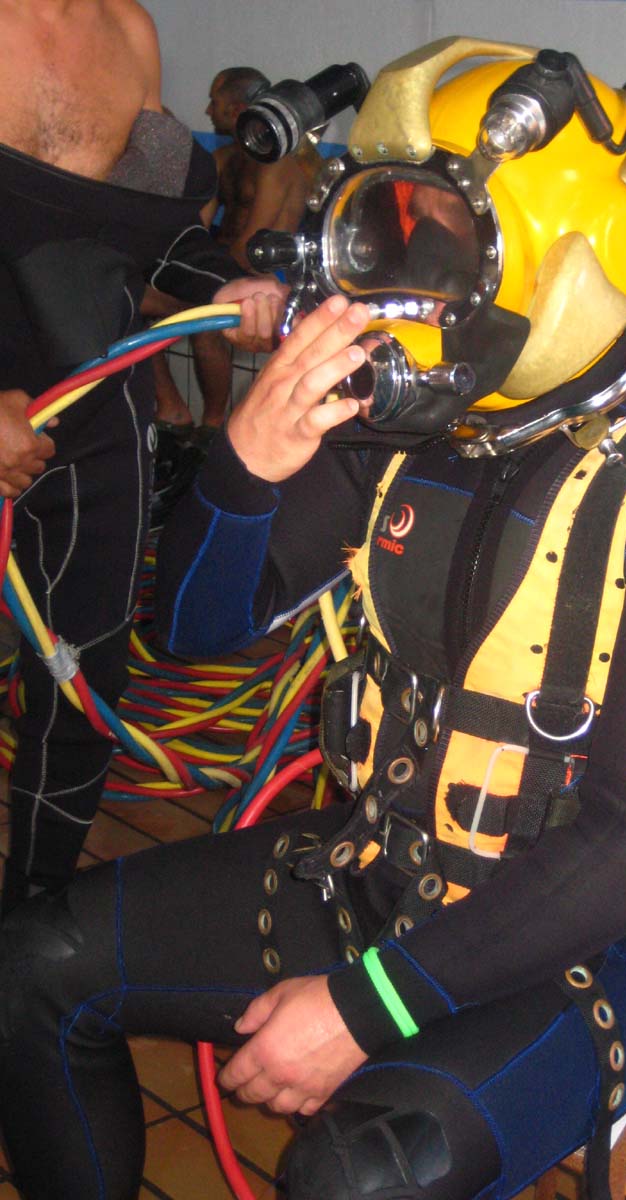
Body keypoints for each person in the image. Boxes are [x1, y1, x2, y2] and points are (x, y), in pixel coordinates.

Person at [0, 37, 626, 1200]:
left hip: (602, 947)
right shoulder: (410, 435)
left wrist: (361, 1009)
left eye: (434, 256)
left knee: (360, 1173)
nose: (385, 301)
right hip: (388, 867)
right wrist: (242, 468)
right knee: (30, 965)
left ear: (565, 270)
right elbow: (191, 631)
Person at [0, 0, 286, 916]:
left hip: (97, 405)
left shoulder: (129, 31)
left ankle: (30, 921)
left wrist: (228, 283)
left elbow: (148, 236)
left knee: (83, 677)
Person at [150, 66, 319, 441]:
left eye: (214, 101)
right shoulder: (222, 160)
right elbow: (192, 234)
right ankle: (174, 412)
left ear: (237, 108)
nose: (208, 110)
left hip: (265, 279)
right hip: (222, 271)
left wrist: (211, 287)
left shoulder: (277, 165)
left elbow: (252, 246)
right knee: (131, 302)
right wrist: (194, 279)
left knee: (208, 324)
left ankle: (212, 428)